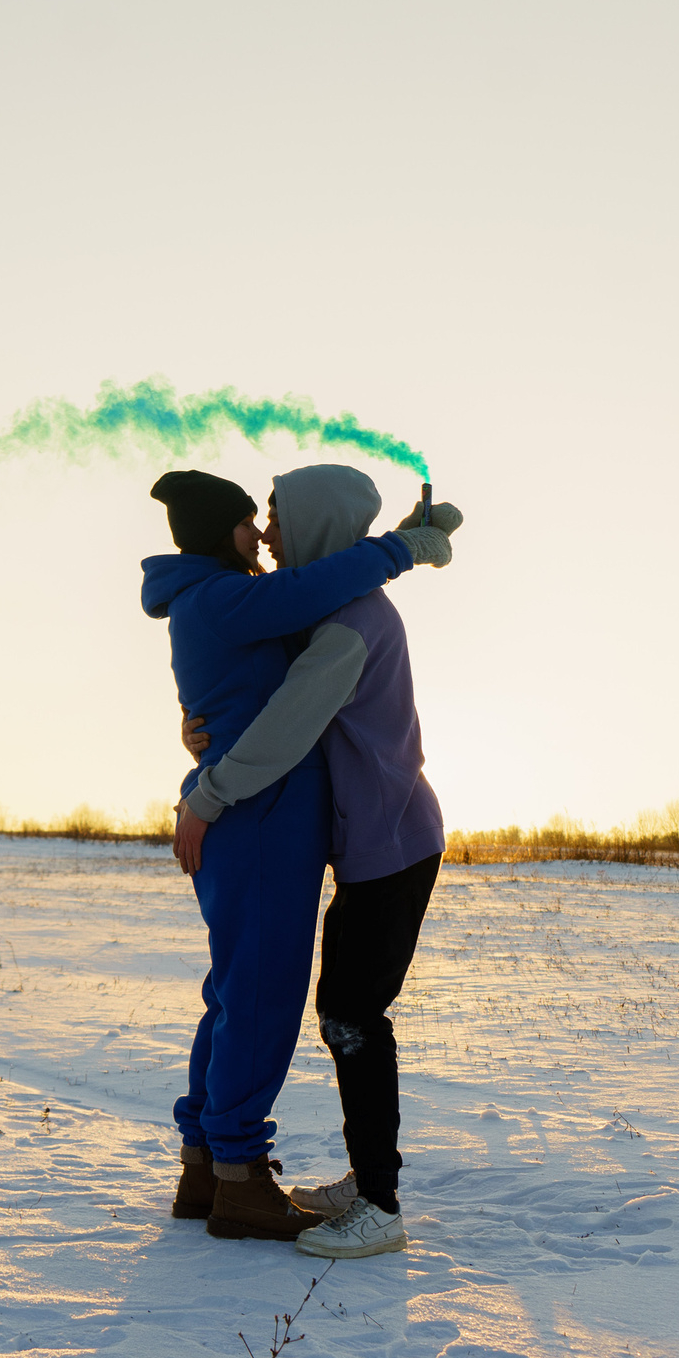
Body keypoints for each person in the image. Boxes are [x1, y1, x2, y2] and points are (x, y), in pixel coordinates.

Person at [141, 469, 455, 1242]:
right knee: (265, 997)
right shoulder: (235, 598)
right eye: (252, 519)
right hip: (261, 816)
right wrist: (405, 546)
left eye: (274, 517)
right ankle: (240, 1174)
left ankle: (212, 1164)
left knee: (255, 994)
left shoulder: (290, 609)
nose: (264, 533)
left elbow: (317, 589)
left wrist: (401, 539)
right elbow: (282, 710)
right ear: (219, 531)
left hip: (330, 828)